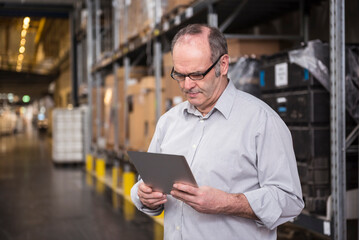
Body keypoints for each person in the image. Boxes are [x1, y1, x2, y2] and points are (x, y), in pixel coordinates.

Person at [131, 24, 304, 240]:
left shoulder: (261, 122)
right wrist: (143, 195)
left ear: (222, 65)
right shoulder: (169, 122)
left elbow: (290, 200)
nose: (187, 85)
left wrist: (227, 203)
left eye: (196, 74)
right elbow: (146, 182)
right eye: (180, 75)